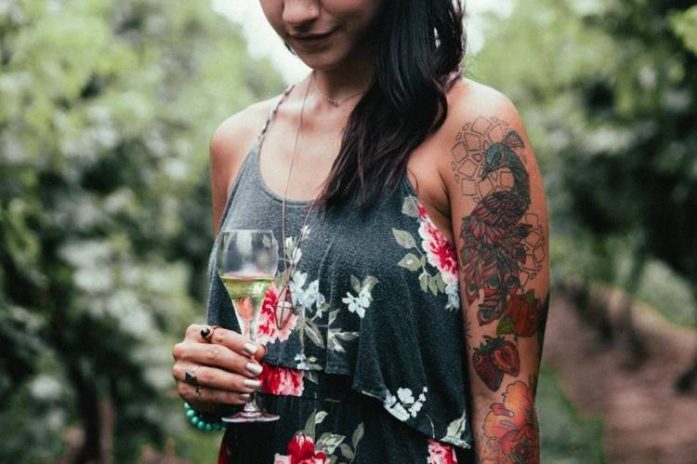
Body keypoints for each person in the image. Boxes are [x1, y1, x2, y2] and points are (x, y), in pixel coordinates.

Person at [171, 0, 550, 462]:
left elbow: (505, 402)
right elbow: (251, 360)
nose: (296, 15)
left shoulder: (472, 130)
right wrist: (206, 391)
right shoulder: (237, 143)